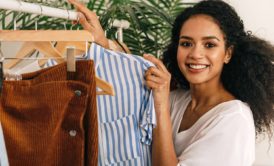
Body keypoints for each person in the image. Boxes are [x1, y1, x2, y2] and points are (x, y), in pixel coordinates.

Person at [69, 0, 274, 165]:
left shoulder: (233, 118)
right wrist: (102, 45)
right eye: (186, 43)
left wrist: (160, 104)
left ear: (228, 53)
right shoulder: (176, 99)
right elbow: (129, 83)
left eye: (209, 44)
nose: (195, 54)